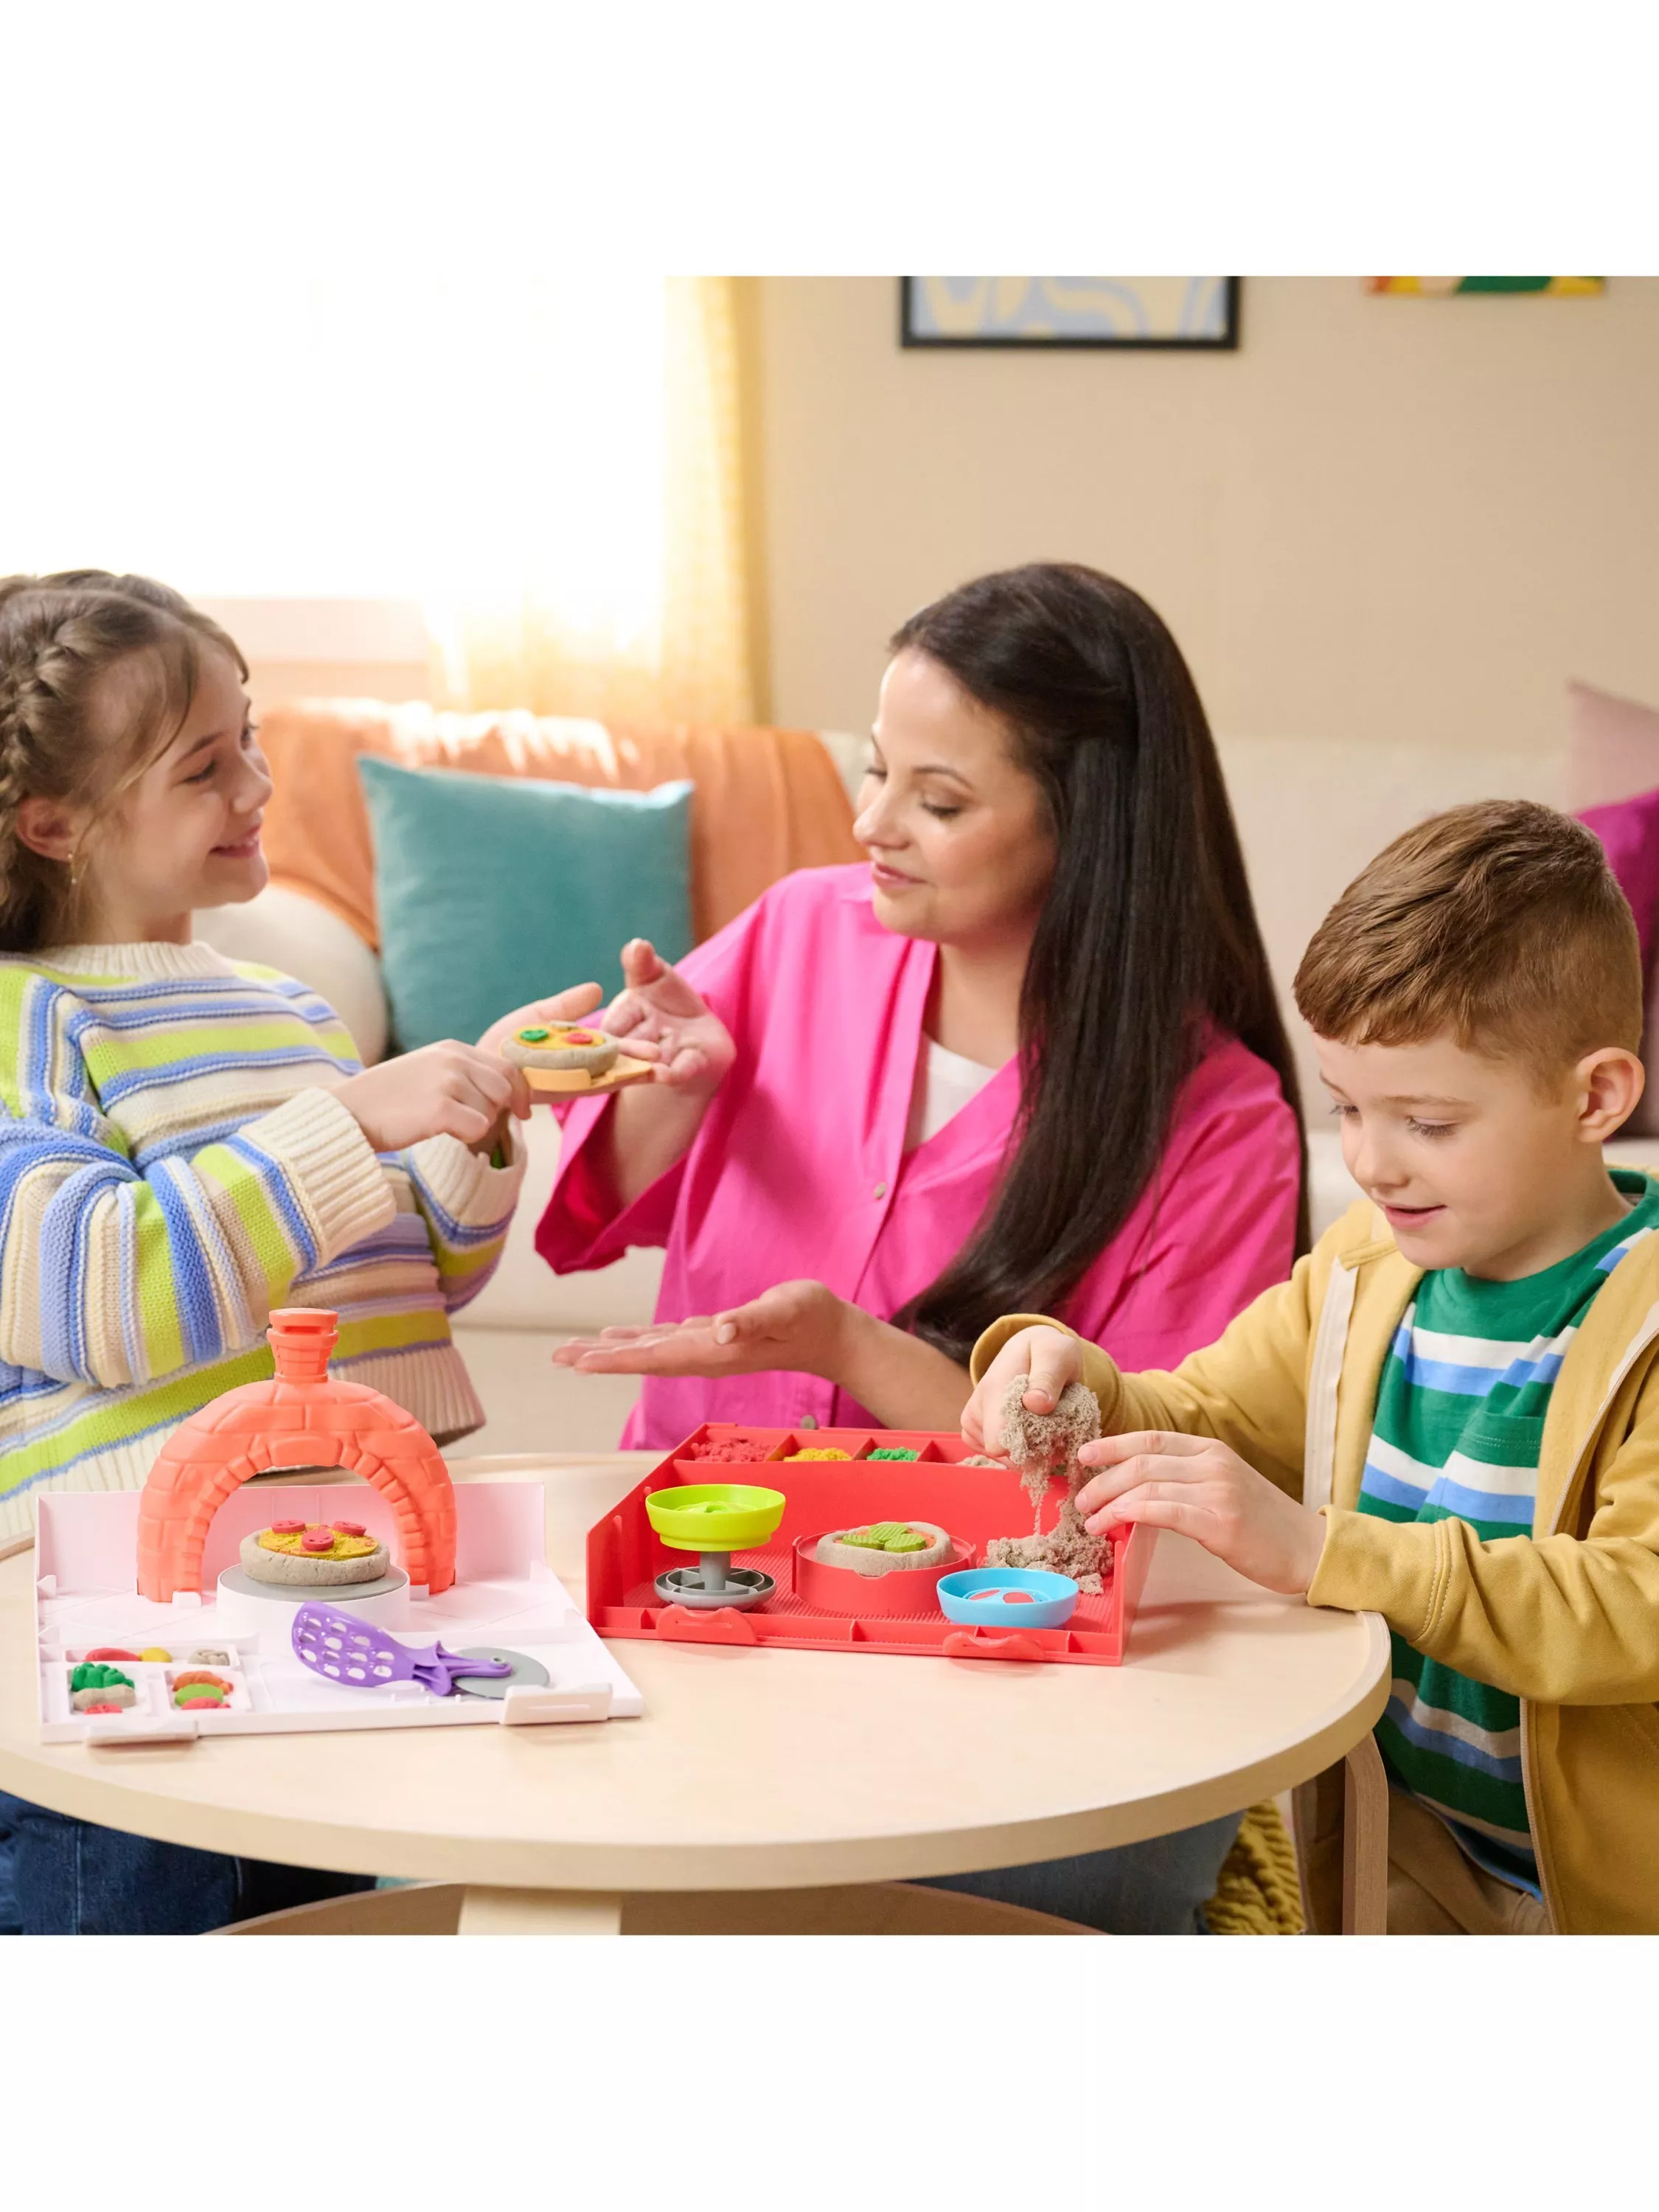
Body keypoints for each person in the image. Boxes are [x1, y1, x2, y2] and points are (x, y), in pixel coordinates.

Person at [965, 799, 1659, 1935]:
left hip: (1603, 1903)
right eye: (1346, 1108)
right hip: (1405, 1853)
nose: (1372, 1164)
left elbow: (1633, 1603)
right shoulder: (1362, 1269)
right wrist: (1066, 1373)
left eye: (1428, 1123)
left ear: (1594, 1097)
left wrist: (1318, 1551)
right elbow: (1199, 1415)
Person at [0, 571, 577, 1934]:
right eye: (207, 767)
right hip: (132, 1613)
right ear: (52, 822)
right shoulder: (32, 1025)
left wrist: (478, 1115)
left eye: (250, 737)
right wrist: (349, 1117)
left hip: (339, 1581)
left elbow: (410, 1283)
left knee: (317, 1942)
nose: (260, 783)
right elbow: (100, 1299)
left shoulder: (288, 1008)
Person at [532, 565, 1306, 1466]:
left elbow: (1126, 1469)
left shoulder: (1222, 1129)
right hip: (690, 1534)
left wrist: (850, 1347)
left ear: (1085, 824)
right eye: (876, 769)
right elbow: (598, 1206)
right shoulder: (799, 929)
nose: (873, 823)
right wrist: (677, 1092)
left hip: (964, 1594)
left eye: (939, 801)